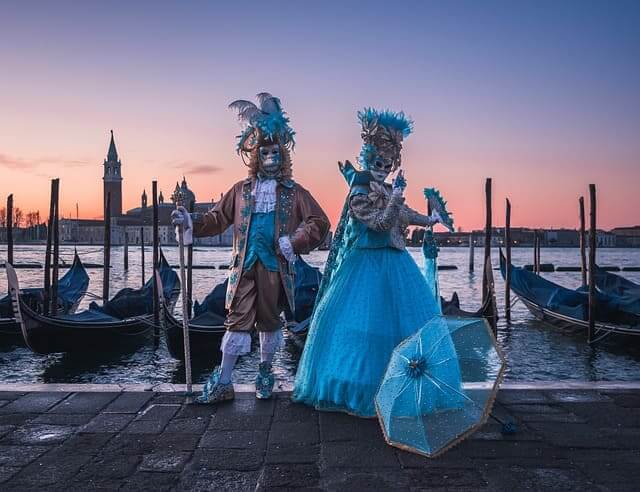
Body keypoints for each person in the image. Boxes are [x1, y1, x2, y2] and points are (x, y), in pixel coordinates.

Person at [172, 93, 329, 404]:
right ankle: (224, 381)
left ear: (283, 156)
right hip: (243, 266)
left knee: (270, 321)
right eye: (265, 151)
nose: (270, 156)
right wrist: (189, 220)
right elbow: (217, 218)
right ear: (257, 155)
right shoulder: (240, 191)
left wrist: (293, 242)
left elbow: (319, 222)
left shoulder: (294, 192)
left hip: (275, 268)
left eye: (275, 152)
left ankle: (265, 371)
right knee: (237, 319)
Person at [293, 108, 445, 417]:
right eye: (378, 163)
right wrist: (396, 198)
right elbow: (378, 223)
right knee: (363, 327)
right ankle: (363, 389)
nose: (383, 169)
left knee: (400, 329)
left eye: (387, 165)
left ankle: (399, 387)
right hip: (364, 269)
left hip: (396, 265)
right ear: (367, 158)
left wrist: (430, 220)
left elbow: (403, 216)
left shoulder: (388, 190)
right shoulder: (358, 193)